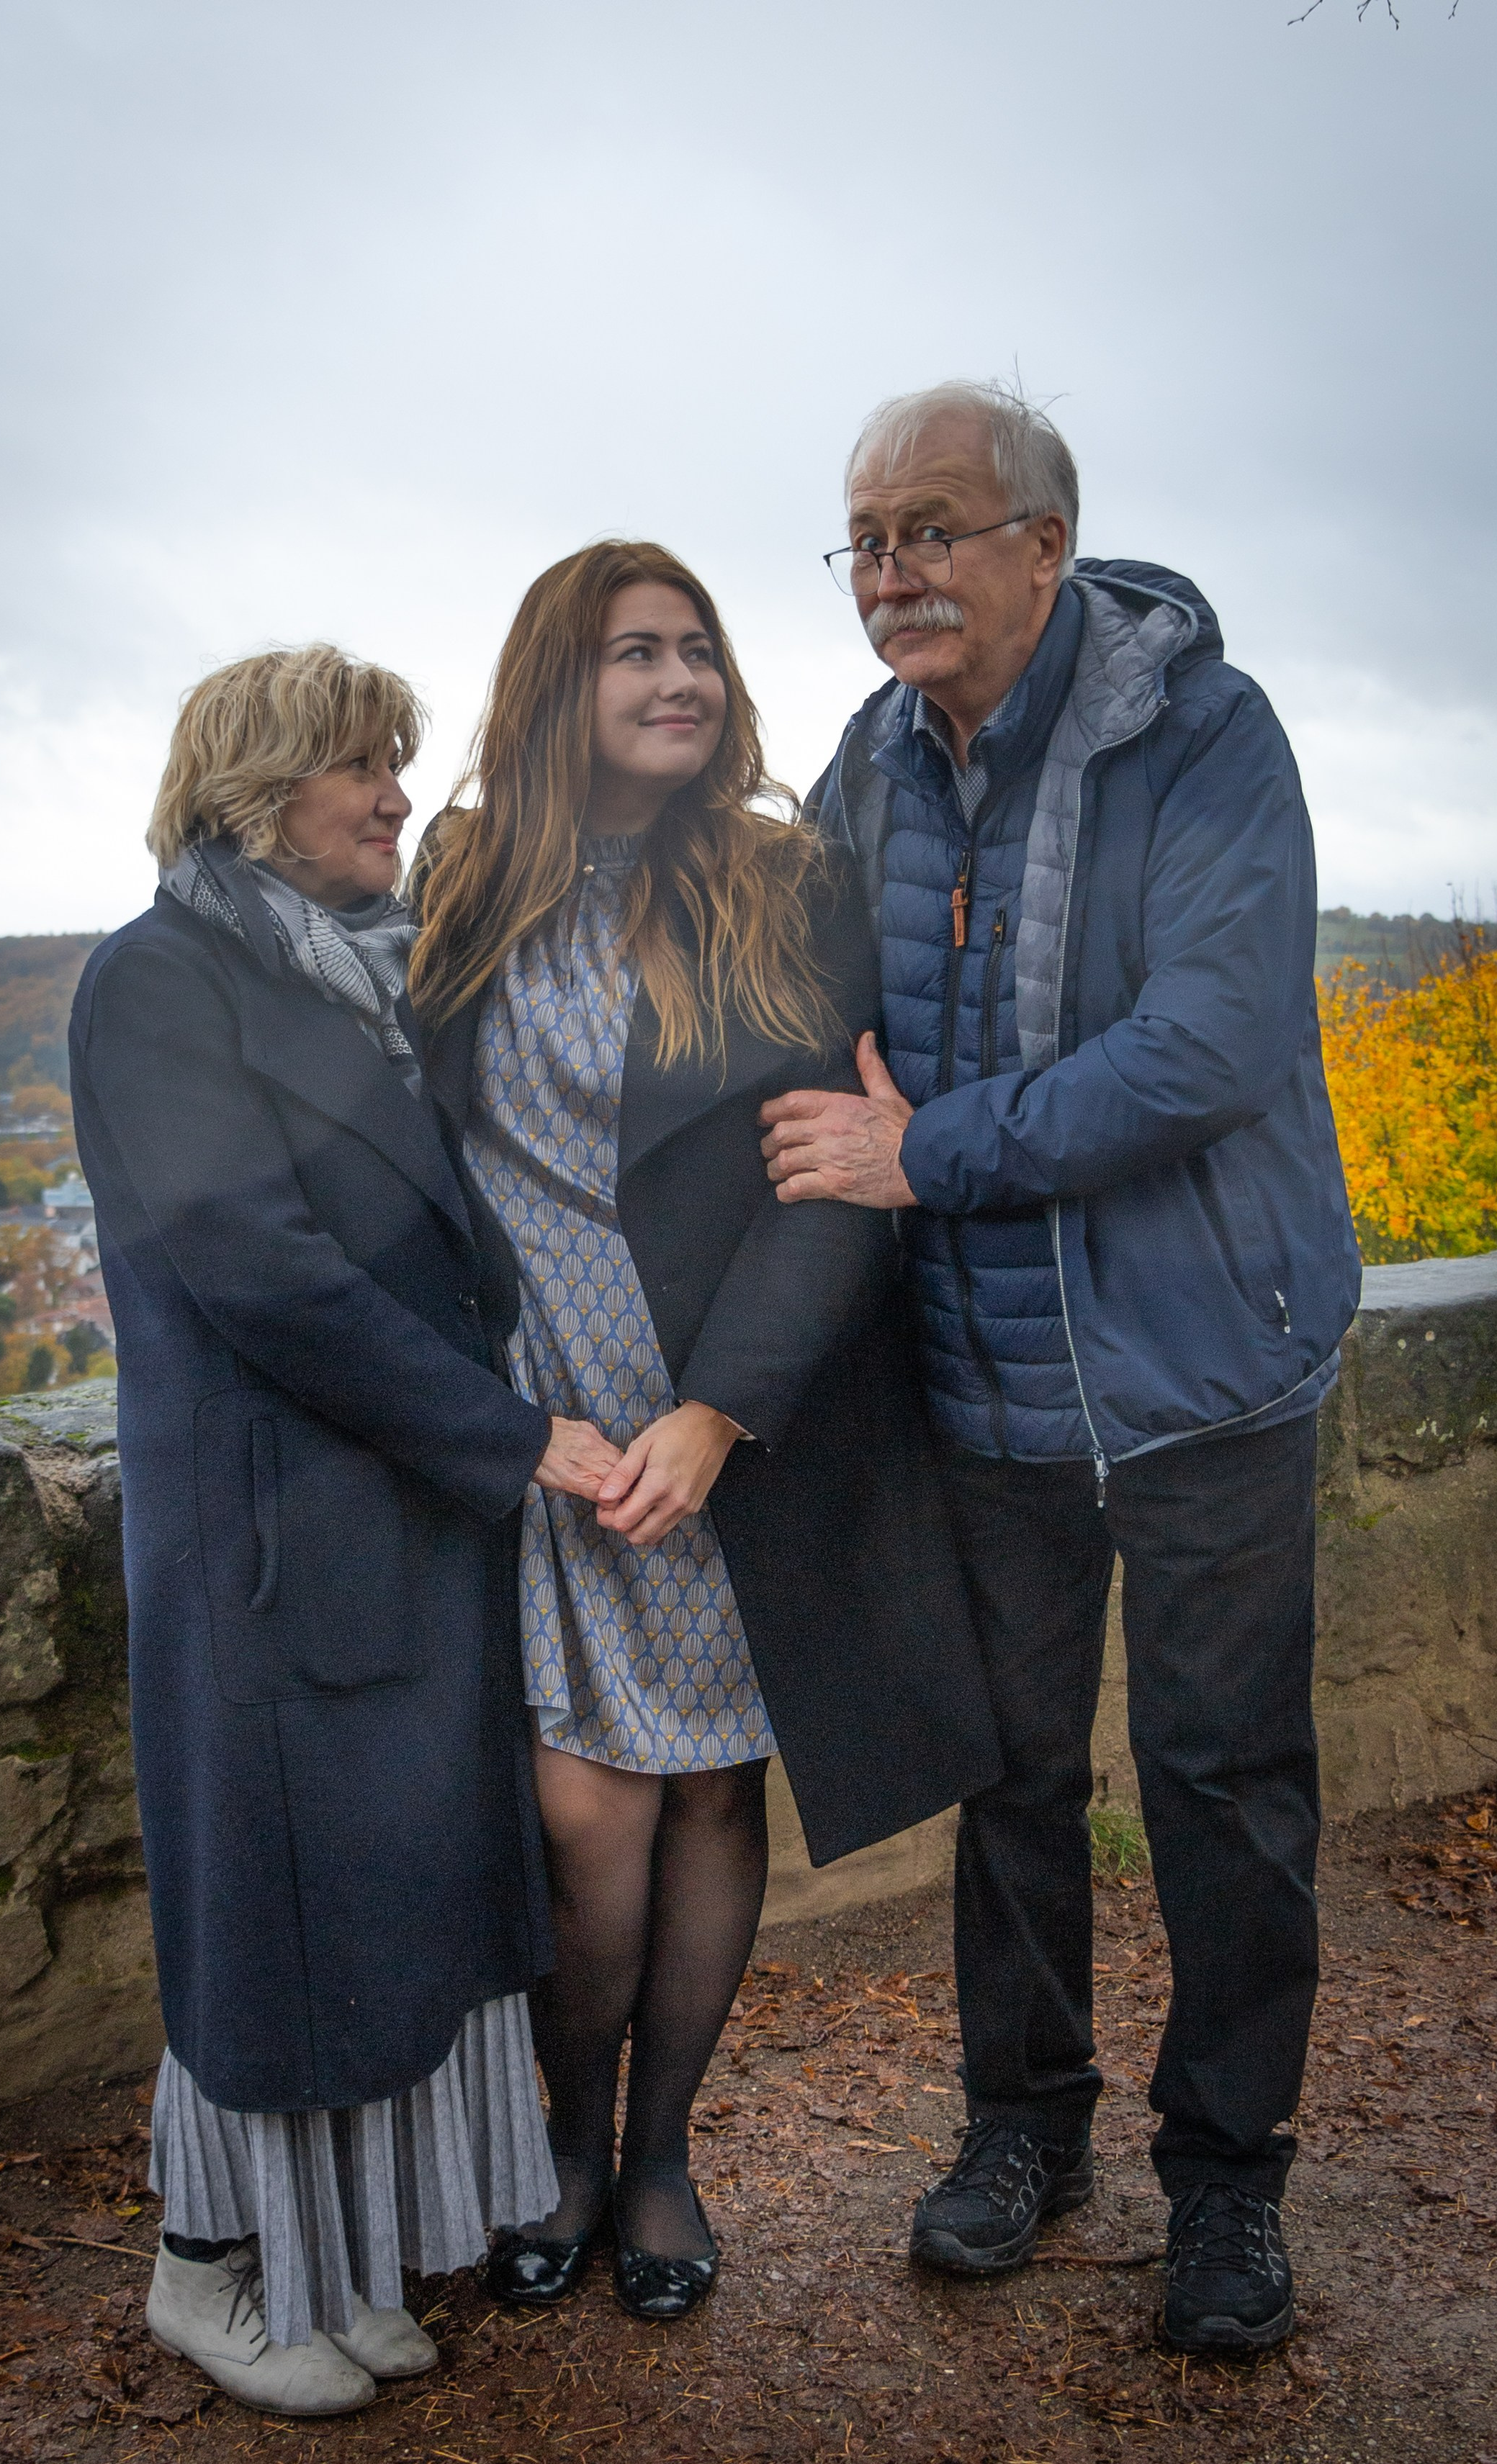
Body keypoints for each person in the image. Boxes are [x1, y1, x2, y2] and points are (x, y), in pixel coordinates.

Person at [762, 382, 1361, 2354]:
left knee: (1221, 1787)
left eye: (931, 527)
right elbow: (798, 1008)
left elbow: (1210, 1043)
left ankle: (1228, 2183)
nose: (891, 571)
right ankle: (1024, 2132)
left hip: (1200, 1371)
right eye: (862, 538)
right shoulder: (869, 760)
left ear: (1046, 540)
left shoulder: (1203, 733)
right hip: (981, 1383)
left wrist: (923, 1151)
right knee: (1011, 1779)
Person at [410, 541, 1000, 2322]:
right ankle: (559, 2152)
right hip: (544, 1444)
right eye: (631, 655)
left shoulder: (774, 876)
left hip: (726, 1432)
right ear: (550, 688)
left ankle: (657, 2156)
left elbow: (836, 1174)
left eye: (696, 650)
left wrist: (721, 1406)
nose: (678, 680)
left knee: (710, 1795)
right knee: (587, 1822)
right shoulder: (462, 879)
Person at [69, 644, 618, 2416]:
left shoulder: (348, 981)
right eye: (357, 766)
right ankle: (205, 2270)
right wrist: (512, 1435)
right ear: (252, 793)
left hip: (387, 1517)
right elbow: (267, 1277)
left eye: (395, 759)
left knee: (385, 1918)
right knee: (270, 1926)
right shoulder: (157, 980)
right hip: (268, 1541)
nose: (397, 791)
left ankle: (340, 2254)